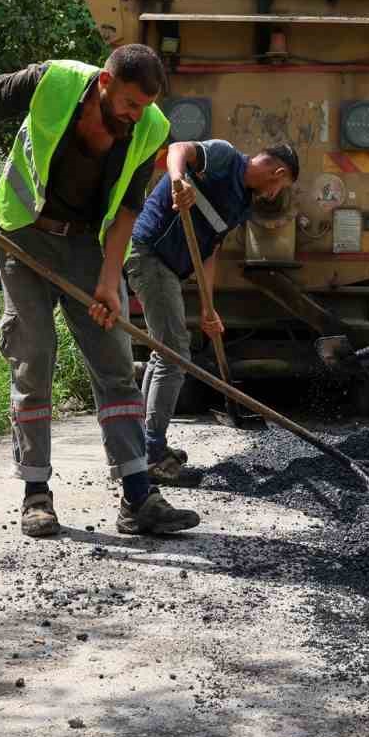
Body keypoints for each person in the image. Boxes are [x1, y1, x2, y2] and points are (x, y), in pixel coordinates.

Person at [0, 45, 202, 538]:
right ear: (105, 83)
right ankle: (36, 493)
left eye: (144, 106)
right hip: (22, 233)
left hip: (87, 246)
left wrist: (107, 282)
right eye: (128, 103)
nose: (135, 115)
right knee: (33, 358)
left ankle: (138, 495)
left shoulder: (150, 128)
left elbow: (126, 211)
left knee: (115, 362)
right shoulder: (50, 81)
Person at [125, 139, 300, 483]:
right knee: (174, 353)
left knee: (165, 353)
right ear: (277, 172)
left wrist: (208, 306)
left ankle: (143, 444)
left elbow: (210, 252)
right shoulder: (225, 157)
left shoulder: (241, 203)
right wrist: (178, 180)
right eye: (281, 185)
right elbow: (179, 149)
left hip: (170, 269)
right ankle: (149, 454)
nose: (274, 193)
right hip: (149, 255)